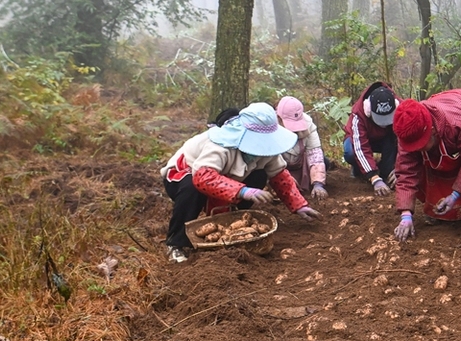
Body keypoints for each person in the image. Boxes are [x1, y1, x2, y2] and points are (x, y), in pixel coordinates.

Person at [160, 102, 322, 263]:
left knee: (259, 176)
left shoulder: (268, 148)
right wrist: (243, 191)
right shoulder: (221, 145)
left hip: (228, 179)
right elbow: (203, 177)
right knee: (191, 188)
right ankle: (176, 243)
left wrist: (299, 205)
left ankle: (231, 224)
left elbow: (279, 175)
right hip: (186, 175)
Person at [390, 89, 461, 242]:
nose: (417, 149)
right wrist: (405, 215)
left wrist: (456, 194)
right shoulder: (408, 132)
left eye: (421, 145)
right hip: (448, 109)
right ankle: (439, 208)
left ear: (432, 131)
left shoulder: (458, 123)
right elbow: (406, 172)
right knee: (425, 161)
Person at [343, 82, 400, 196]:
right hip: (360, 138)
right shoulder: (358, 114)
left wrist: (401, 168)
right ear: (368, 110)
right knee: (350, 152)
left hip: (387, 139)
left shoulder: (402, 108)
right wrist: (374, 177)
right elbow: (360, 148)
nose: (383, 123)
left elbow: (406, 141)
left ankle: (385, 171)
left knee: (392, 143)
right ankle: (361, 169)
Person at [275, 96, 329, 200]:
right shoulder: (270, 128)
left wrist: (318, 184)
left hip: (300, 168)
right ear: (279, 118)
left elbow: (315, 155)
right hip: (278, 169)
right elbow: (269, 160)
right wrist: (284, 177)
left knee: (324, 162)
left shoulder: (309, 127)